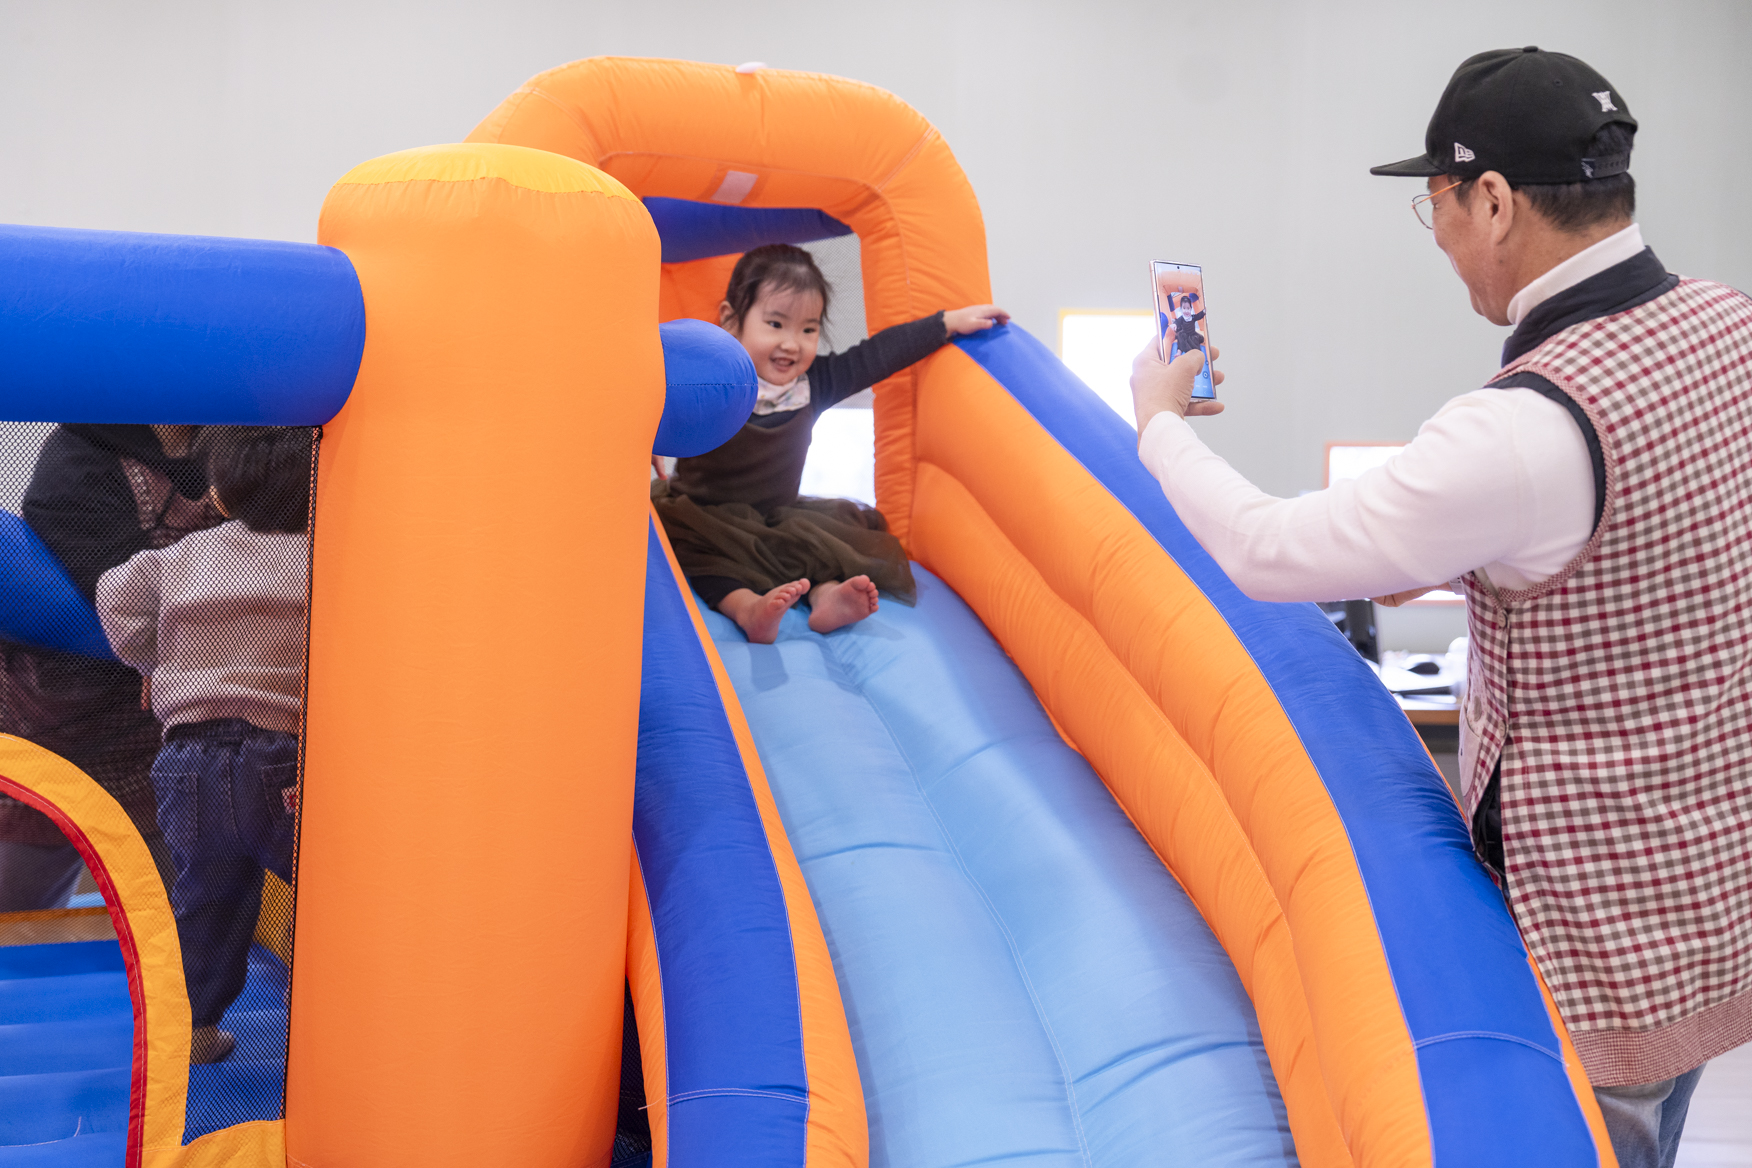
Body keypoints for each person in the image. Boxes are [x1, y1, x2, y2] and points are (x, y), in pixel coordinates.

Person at [1129, 48, 1752, 1168]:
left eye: (1438, 204)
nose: (1441, 236)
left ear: (1496, 199)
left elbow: (1268, 550)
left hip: (1596, 935)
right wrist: (1465, 554)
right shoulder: (1728, 323)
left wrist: (1158, 421)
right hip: (1710, 894)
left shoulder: (1523, 426)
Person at [653, 243, 1009, 642]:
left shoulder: (814, 384)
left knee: (817, 547)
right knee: (702, 556)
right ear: (730, 319)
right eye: (775, 324)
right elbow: (660, 395)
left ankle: (827, 597)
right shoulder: (710, 381)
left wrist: (946, 323)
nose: (792, 343)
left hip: (776, 515)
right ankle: (747, 609)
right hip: (701, 515)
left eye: (808, 329)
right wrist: (648, 438)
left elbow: (878, 355)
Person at [96, 426, 313, 1064]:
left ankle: (191, 1028)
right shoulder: (321, 555)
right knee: (328, 888)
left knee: (205, 899)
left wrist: (155, 661)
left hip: (187, 760)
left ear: (218, 491)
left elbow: (114, 596)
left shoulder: (182, 558)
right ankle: (335, 1013)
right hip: (282, 756)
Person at [0, 424, 223, 911]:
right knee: (16, 907)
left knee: (182, 916)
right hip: (47, 728)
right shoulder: (80, 457)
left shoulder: (235, 442)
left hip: (160, 734)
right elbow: (115, 601)